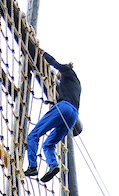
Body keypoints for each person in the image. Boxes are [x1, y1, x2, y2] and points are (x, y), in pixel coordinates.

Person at [24, 51, 81, 183]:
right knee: (48, 144)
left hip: (64, 107)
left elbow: (55, 63)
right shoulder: (75, 84)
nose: (57, 76)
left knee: (33, 135)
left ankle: (32, 166)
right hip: (73, 116)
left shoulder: (68, 71)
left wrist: (42, 54)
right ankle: (53, 165)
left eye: (58, 75)